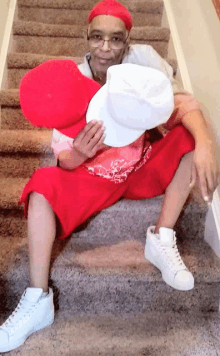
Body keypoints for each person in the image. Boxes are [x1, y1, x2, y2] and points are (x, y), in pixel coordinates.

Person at [0, 0, 219, 352]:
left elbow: (181, 104)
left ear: (127, 39)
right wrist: (79, 155)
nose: (106, 48)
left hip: (140, 166)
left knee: (189, 136)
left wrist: (206, 140)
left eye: (116, 39)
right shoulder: (72, 80)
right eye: (98, 38)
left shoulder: (144, 61)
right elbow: (65, 160)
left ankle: (161, 237)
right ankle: (37, 298)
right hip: (92, 176)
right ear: (87, 37)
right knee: (41, 184)